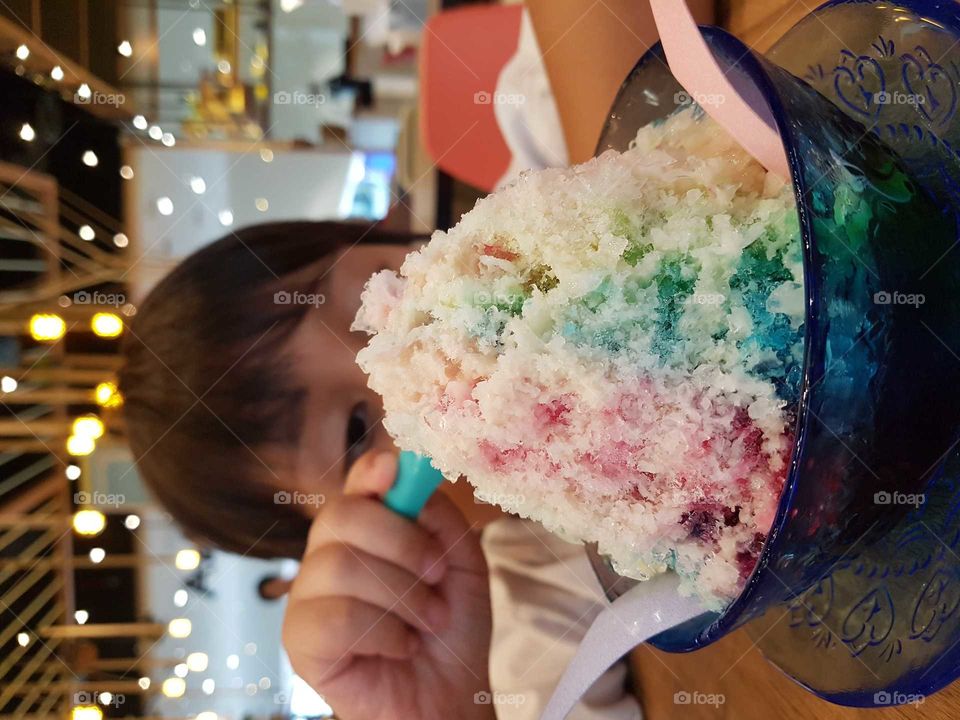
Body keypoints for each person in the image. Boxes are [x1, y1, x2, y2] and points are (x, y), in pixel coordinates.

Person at [119, 2, 715, 717]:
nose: (417, 346)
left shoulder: (550, 152)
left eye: (365, 306)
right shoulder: (521, 617)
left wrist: (630, 219)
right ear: (367, 543)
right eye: (358, 429)